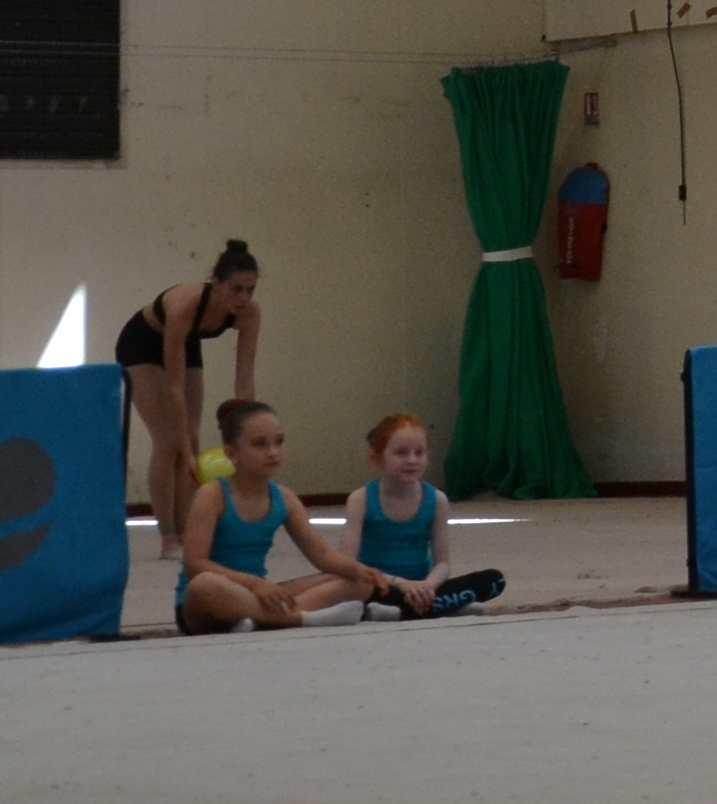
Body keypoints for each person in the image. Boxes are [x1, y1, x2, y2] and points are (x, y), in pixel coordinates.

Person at [174, 399, 384, 635]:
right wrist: (255, 584)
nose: (273, 452)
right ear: (232, 453)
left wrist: (360, 570)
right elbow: (195, 565)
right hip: (209, 602)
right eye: (259, 444)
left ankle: (261, 621)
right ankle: (298, 618)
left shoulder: (284, 497)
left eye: (279, 442)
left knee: (358, 582)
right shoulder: (212, 495)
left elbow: (322, 555)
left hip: (257, 595)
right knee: (205, 585)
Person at [115, 244, 255, 506]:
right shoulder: (185, 305)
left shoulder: (250, 313)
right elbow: (175, 387)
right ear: (216, 283)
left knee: (191, 439)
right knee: (170, 442)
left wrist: (246, 438)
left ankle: (188, 524)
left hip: (186, 342)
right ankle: (167, 530)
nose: (244, 298)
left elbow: (245, 383)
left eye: (250, 290)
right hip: (140, 345)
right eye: (236, 289)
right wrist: (187, 451)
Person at [346, 416, 507, 618]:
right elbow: (348, 563)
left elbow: (442, 564)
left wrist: (427, 586)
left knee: (494, 580)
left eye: (419, 453)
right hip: (378, 585)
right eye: (401, 453)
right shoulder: (361, 499)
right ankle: (440, 607)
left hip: (422, 585)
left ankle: (405, 611)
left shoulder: (437, 500)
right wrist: (400, 583)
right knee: (343, 587)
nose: (412, 460)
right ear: (377, 459)